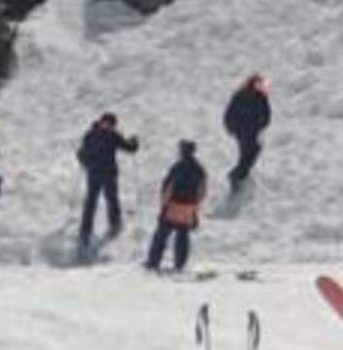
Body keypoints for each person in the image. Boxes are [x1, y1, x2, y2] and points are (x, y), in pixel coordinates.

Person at [74, 112, 138, 253]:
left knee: (112, 198)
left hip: (109, 173)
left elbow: (128, 148)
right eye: (107, 123)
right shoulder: (91, 134)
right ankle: (85, 230)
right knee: (91, 201)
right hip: (95, 173)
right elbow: (81, 153)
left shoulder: (113, 136)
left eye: (111, 125)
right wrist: (87, 163)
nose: (109, 127)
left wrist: (134, 143)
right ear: (101, 122)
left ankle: (114, 223)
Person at [145, 140, 211, 273]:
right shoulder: (199, 169)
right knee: (183, 235)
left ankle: (153, 261)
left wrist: (164, 204)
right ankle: (180, 264)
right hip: (189, 206)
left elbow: (168, 186)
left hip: (174, 205)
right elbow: (202, 190)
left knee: (161, 234)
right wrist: (195, 207)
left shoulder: (178, 167)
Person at [222, 73, 272, 188]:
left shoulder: (239, 95)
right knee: (252, 151)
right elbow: (267, 115)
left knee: (246, 152)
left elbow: (229, 113)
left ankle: (240, 174)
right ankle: (237, 175)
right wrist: (261, 125)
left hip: (240, 130)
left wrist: (230, 127)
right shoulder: (260, 97)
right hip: (251, 130)